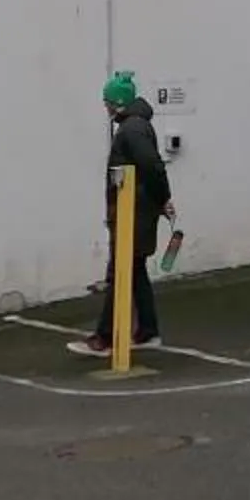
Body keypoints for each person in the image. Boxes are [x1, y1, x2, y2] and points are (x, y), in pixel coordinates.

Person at [70, 73, 173, 356]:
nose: (104, 107)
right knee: (136, 271)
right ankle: (148, 331)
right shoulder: (136, 127)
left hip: (134, 214)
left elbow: (152, 166)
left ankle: (105, 337)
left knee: (120, 271)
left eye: (106, 101)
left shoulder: (131, 130)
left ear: (117, 102)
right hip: (137, 211)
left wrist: (164, 198)